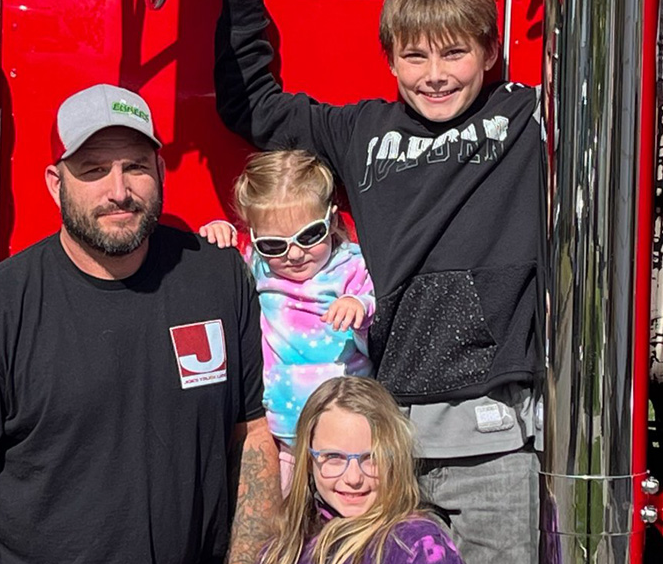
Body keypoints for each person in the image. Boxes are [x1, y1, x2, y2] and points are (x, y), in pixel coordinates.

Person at [215, 0, 544, 562]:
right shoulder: (361, 131)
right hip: (378, 448)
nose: (434, 75)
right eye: (414, 56)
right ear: (389, 60)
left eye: (455, 53)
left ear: (491, 51)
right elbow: (253, 106)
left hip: (489, 441)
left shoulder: (526, 115)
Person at [0, 83, 281, 564]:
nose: (118, 192)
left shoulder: (218, 279)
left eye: (135, 167)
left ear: (159, 170)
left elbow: (251, 437)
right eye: (94, 170)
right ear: (55, 183)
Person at [199, 150, 375, 496]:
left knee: (352, 511)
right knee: (284, 516)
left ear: (331, 221)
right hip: (285, 432)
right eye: (273, 244)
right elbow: (227, 275)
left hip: (349, 432)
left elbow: (377, 307)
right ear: (254, 237)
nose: (293, 254)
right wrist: (218, 234)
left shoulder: (350, 266)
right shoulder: (259, 266)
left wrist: (359, 305)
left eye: (309, 236)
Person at [260, 376, 464, 564]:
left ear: (396, 459)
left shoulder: (417, 545)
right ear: (308, 460)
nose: (354, 478)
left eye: (371, 458)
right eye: (334, 457)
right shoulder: (284, 549)